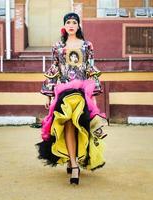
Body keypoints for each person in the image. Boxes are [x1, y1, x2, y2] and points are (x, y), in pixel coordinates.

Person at [36, 12, 107, 185]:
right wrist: (50, 95)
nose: (71, 25)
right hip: (64, 92)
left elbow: (90, 69)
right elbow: (55, 69)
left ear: (78, 25)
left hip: (82, 91)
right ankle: (74, 165)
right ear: (64, 26)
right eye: (68, 22)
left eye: (74, 22)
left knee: (79, 125)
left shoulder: (87, 45)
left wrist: (94, 94)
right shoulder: (58, 47)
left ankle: (72, 159)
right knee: (67, 122)